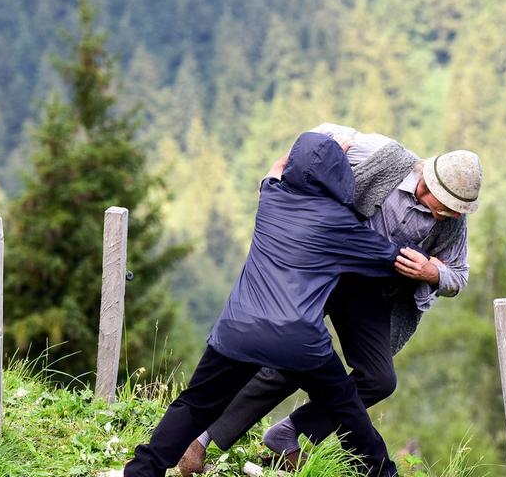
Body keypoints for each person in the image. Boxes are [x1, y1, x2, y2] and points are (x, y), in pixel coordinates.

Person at [178, 123, 482, 475]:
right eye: (449, 206)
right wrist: (274, 177)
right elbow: (315, 144)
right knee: (287, 356)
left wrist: (432, 273)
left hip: (370, 294)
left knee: (379, 378)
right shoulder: (387, 156)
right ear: (428, 182)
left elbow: (458, 274)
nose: (456, 215)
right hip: (320, 267)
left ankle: (289, 433)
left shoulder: (452, 222)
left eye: (461, 210)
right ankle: (200, 437)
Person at [123, 131, 402, 477]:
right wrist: (435, 270)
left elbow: (278, 166)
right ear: (340, 176)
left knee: (195, 404)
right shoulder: (341, 225)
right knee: (346, 406)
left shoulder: (271, 197)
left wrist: (315, 156)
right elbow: (394, 259)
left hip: (239, 331)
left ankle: (142, 470)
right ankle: (383, 473)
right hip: (298, 341)